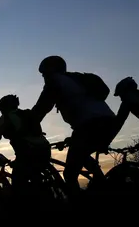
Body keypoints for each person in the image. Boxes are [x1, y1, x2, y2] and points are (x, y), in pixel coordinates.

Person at [31, 55, 118, 194]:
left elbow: (42, 107)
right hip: (110, 124)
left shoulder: (56, 81)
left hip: (90, 126)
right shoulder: (76, 80)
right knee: (81, 153)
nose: (44, 77)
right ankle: (103, 186)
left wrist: (29, 124)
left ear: (50, 72)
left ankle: (79, 209)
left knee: (69, 175)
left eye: (44, 74)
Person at [0, 94, 51, 194]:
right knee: (35, 176)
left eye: (1, 110)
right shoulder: (27, 114)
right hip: (45, 150)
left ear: (5, 108)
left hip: (28, 154)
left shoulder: (6, 118)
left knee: (18, 187)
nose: (1, 113)